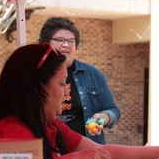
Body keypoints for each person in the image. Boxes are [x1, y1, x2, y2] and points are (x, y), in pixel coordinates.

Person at [0, 43, 159, 159]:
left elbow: (102, 152)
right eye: (62, 83)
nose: (67, 93)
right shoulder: (9, 133)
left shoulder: (50, 127)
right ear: (37, 87)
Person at [38, 16, 120, 145]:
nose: (66, 44)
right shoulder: (35, 73)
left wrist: (103, 118)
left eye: (71, 41)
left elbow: (113, 110)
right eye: (60, 40)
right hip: (48, 149)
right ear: (46, 43)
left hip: (85, 150)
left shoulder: (93, 74)